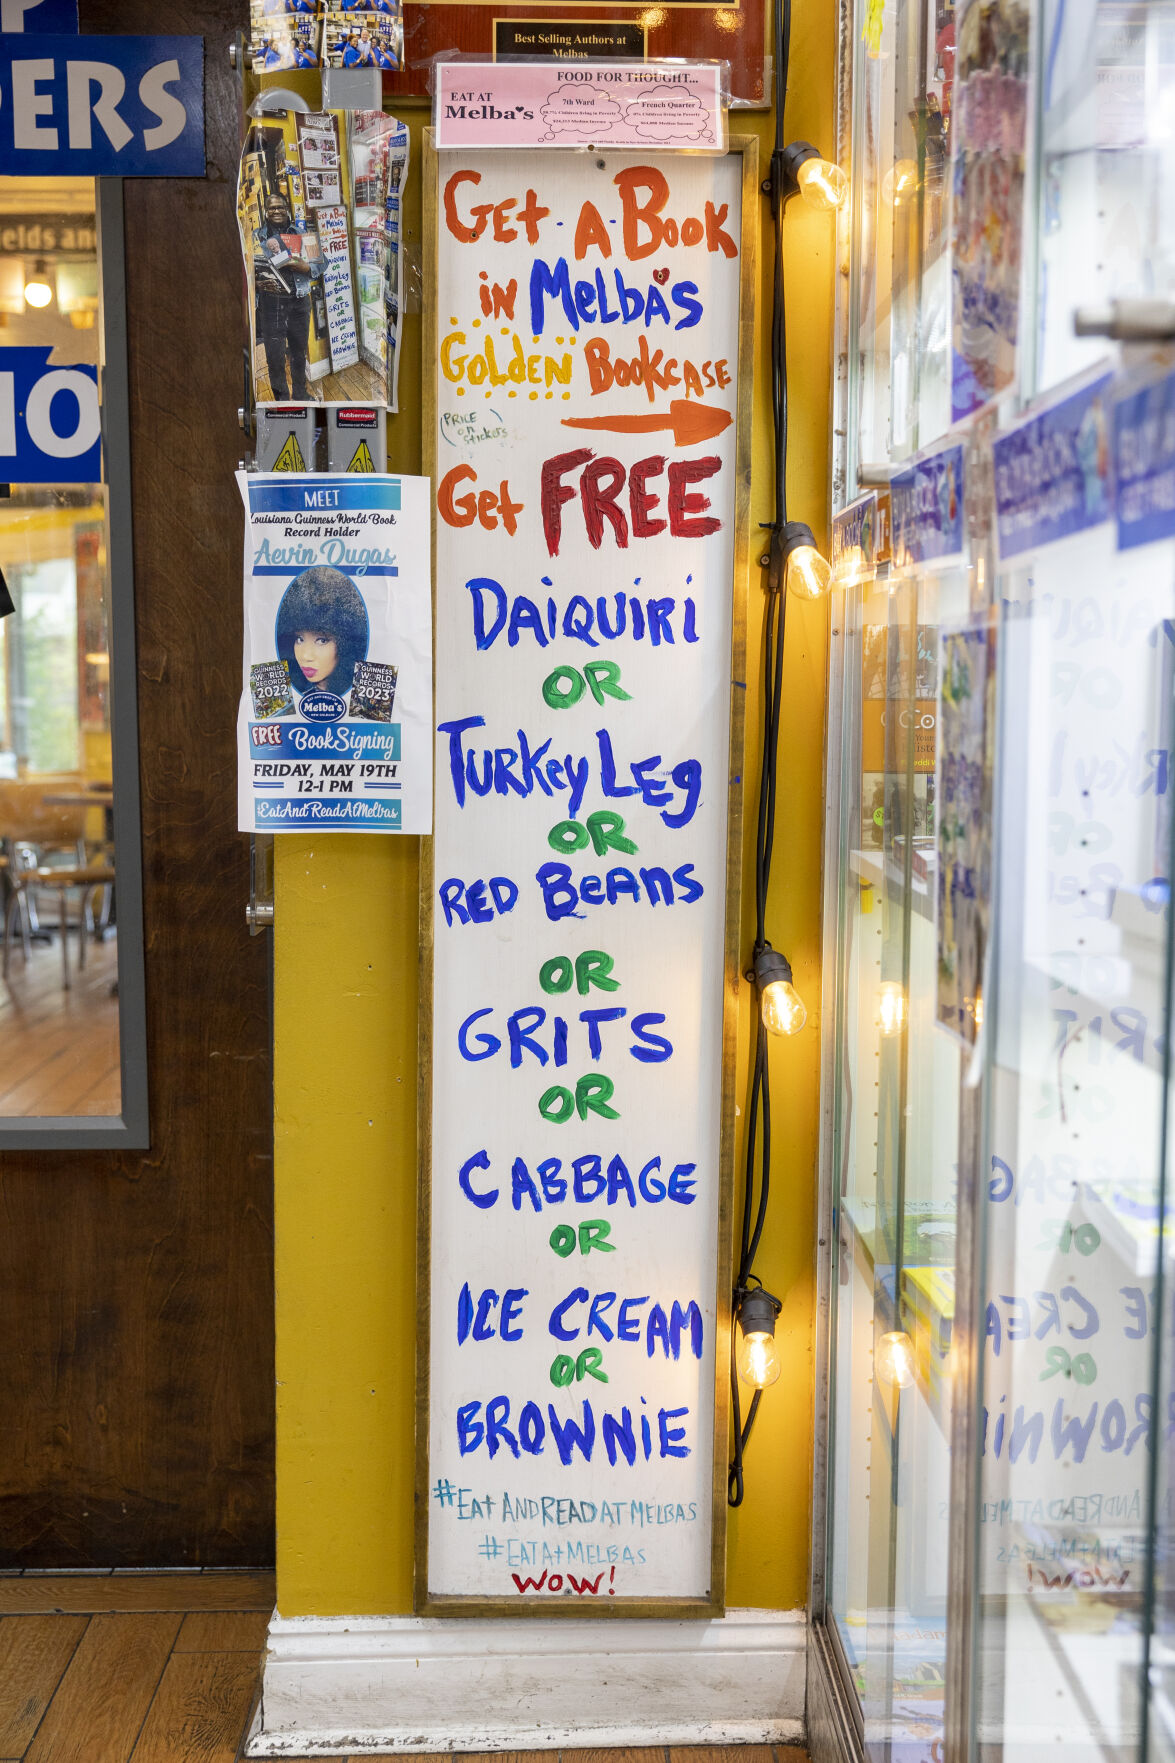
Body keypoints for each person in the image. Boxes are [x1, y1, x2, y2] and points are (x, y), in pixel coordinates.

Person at [253, 192, 316, 402]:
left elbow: (319, 265)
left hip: (299, 303)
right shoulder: (255, 237)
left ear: (287, 209)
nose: (277, 211)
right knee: (275, 357)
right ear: (266, 211)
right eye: (272, 208)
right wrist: (256, 283)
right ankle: (282, 401)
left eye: (280, 207)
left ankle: (300, 394)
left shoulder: (302, 233)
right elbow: (245, 271)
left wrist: (297, 264)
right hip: (271, 306)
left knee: (299, 353)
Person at [276, 567, 370, 699]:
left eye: (322, 640)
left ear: (347, 644)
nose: (306, 656)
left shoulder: (370, 698)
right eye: (300, 639)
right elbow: (267, 716)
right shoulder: (278, 696)